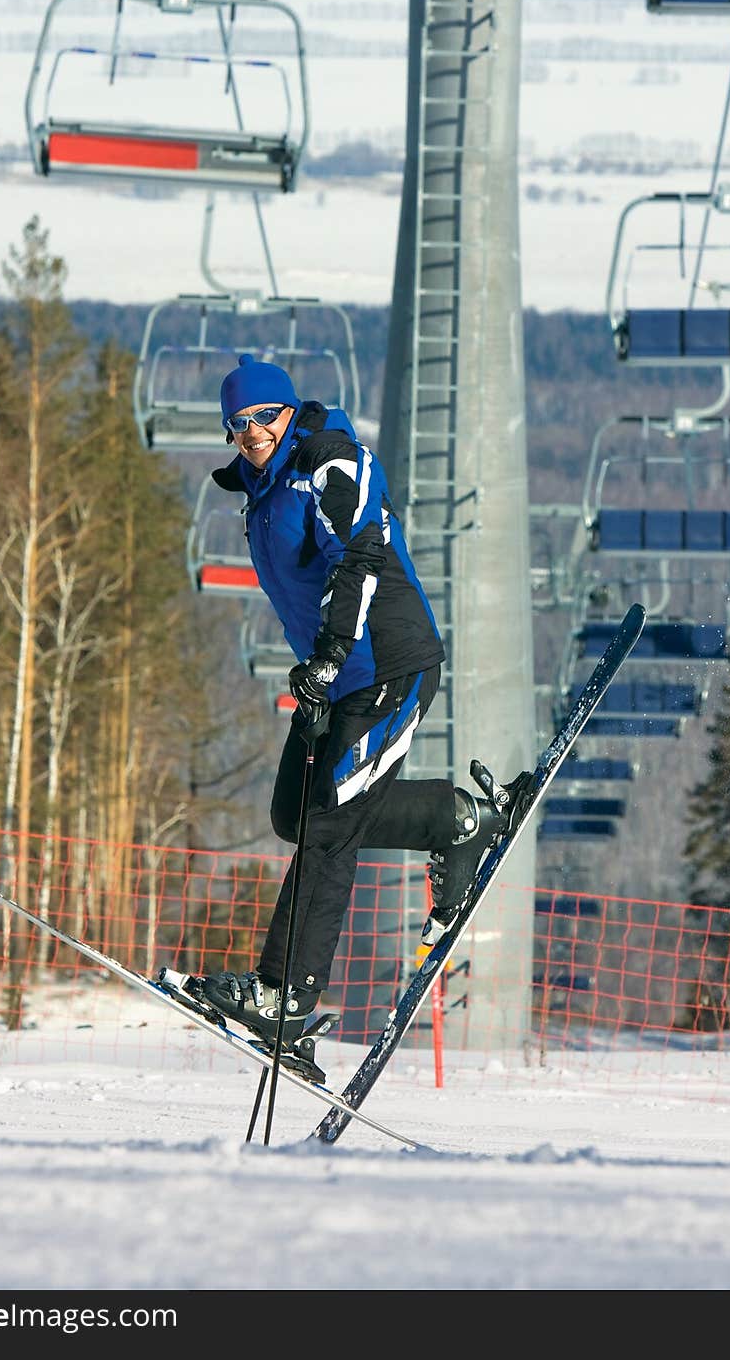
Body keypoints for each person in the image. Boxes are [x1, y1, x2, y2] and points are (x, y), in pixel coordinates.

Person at [199, 353, 528, 1048]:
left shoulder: (331, 463)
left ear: (288, 413)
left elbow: (360, 558)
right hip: (340, 674)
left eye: (264, 417)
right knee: (295, 813)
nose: (252, 432)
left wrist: (328, 655)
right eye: (238, 424)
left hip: (388, 663)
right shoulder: (260, 488)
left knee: (331, 823)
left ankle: (286, 991)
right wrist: (321, 665)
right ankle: (458, 818)